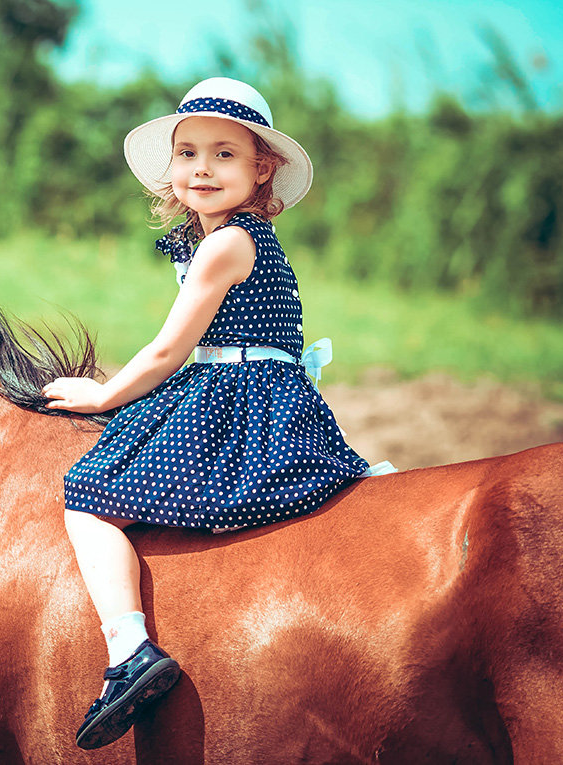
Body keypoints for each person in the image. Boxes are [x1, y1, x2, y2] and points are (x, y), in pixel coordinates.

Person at [42, 77, 391, 751]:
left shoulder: (228, 243)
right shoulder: (223, 238)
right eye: (189, 153)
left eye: (225, 155)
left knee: (87, 494)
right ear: (171, 169)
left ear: (264, 168)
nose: (202, 168)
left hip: (238, 397)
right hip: (253, 388)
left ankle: (130, 649)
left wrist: (103, 394)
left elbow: (171, 348)